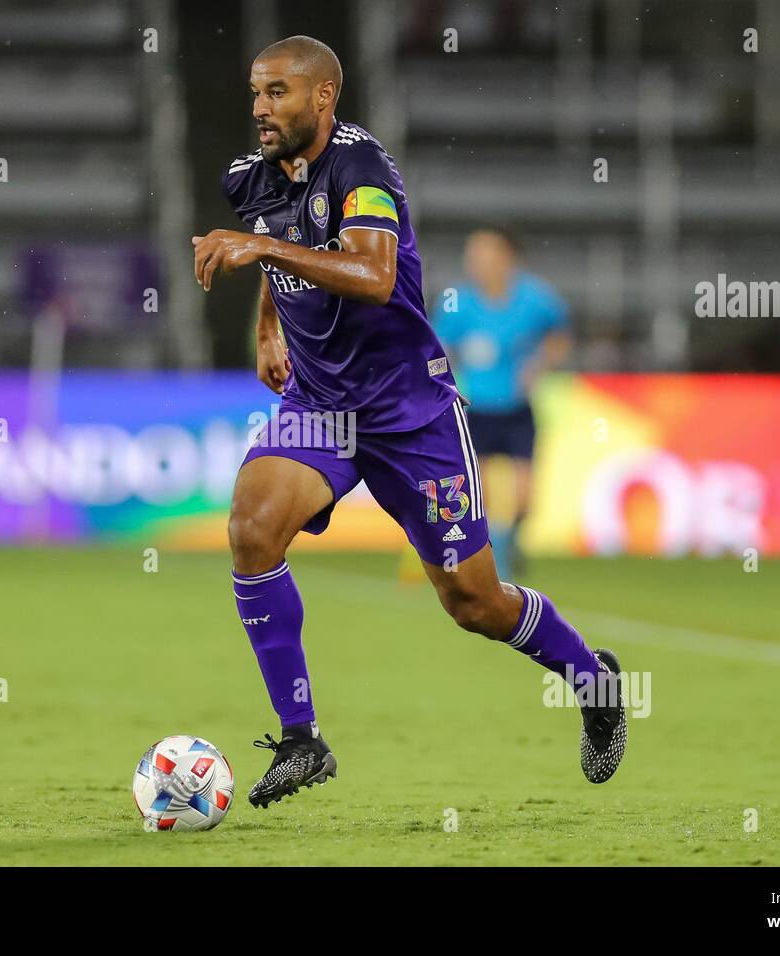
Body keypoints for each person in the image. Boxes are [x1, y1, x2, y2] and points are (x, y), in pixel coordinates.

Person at [191, 36, 627, 807]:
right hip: (321, 406)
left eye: (279, 94)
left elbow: (373, 273)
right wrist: (269, 326)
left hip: (409, 413)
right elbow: (280, 249)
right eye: (256, 93)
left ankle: (592, 681)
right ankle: (302, 740)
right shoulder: (253, 178)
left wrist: (258, 246)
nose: (261, 108)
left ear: (324, 98)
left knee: (474, 604)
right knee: (251, 529)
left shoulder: (362, 168)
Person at [433, 227, 571, 580]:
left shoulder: (535, 298)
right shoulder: (458, 302)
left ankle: (512, 541)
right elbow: (438, 347)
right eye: (473, 255)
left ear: (507, 257)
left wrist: (539, 364)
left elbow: (559, 336)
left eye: (487, 254)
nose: (478, 262)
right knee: (482, 493)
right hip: (476, 410)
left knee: (525, 497)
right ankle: (494, 552)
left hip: (517, 408)